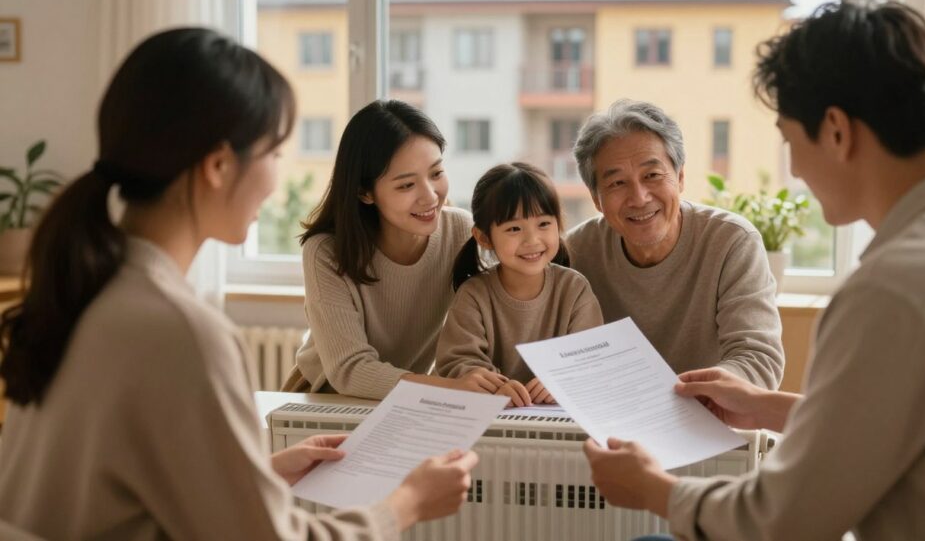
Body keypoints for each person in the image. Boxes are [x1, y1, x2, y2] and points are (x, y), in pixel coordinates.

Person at [0, 27, 478, 540]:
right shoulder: (180, 331)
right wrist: (405, 504)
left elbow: (117, 491)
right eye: (274, 154)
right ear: (219, 166)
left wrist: (259, 476)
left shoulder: (85, 291)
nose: (275, 180)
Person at [583, 0, 925, 541]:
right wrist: (766, 406)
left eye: (790, 140)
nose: (793, 166)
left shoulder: (893, 290)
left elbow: (782, 521)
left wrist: (652, 489)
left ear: (836, 130)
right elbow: (901, 427)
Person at [284, 100, 501, 399]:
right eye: (406, 185)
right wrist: (451, 388)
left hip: (406, 398)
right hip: (323, 397)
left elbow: (493, 313)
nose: (430, 196)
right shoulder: (326, 251)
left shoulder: (460, 231)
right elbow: (350, 369)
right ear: (365, 192)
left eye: (436, 173)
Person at [566, 99, 784, 388]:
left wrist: (686, 395)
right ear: (596, 199)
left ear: (680, 178)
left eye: (652, 176)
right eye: (617, 183)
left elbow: (758, 359)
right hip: (607, 410)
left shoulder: (732, 242)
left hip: (706, 407)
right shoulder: (577, 251)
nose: (639, 198)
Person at [434, 163, 604, 407]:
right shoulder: (474, 294)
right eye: (514, 228)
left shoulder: (574, 288)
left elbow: (591, 357)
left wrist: (563, 379)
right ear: (484, 237)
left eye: (543, 224)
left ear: (558, 224)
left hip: (558, 416)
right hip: (492, 414)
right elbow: (460, 361)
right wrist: (496, 386)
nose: (532, 240)